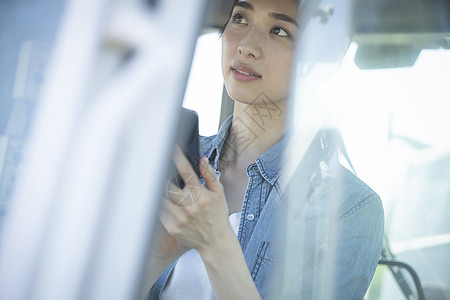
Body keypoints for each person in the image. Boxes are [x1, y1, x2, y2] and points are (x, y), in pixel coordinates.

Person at [144, 0, 384, 299]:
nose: (246, 45)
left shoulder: (349, 208)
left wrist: (217, 244)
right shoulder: (167, 161)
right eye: (240, 18)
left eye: (280, 31)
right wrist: (158, 256)